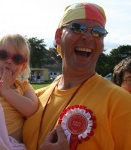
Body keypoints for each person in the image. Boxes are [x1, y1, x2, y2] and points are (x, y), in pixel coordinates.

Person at [23, 2, 131, 150]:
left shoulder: (120, 103)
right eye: (77, 28)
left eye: (98, 32)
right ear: (59, 36)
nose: (87, 37)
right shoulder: (32, 101)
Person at [0, 34, 38, 149]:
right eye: (3, 55)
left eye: (17, 59)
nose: (8, 61)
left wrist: (6, 90)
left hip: (15, 146)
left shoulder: (24, 87)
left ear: (23, 68)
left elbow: (31, 109)